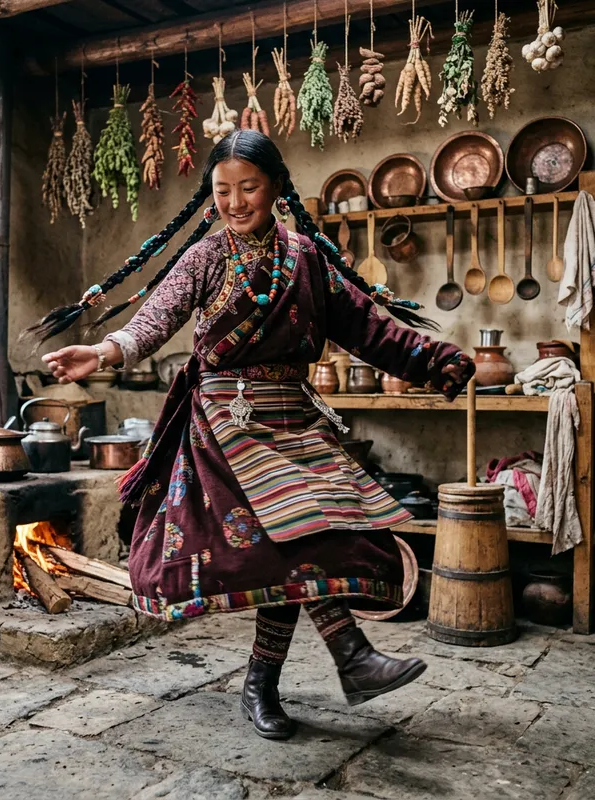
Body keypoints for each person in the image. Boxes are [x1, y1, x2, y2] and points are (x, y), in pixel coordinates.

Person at [32, 130, 474, 741]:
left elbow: (367, 327)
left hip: (291, 418)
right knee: (282, 540)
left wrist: (433, 358)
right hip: (226, 422)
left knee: (311, 535)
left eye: (249, 187)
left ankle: (273, 680)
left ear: (275, 187)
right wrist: (105, 351)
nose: (236, 202)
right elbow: (155, 320)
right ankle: (345, 657)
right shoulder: (206, 258)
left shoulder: (306, 258)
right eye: (222, 191)